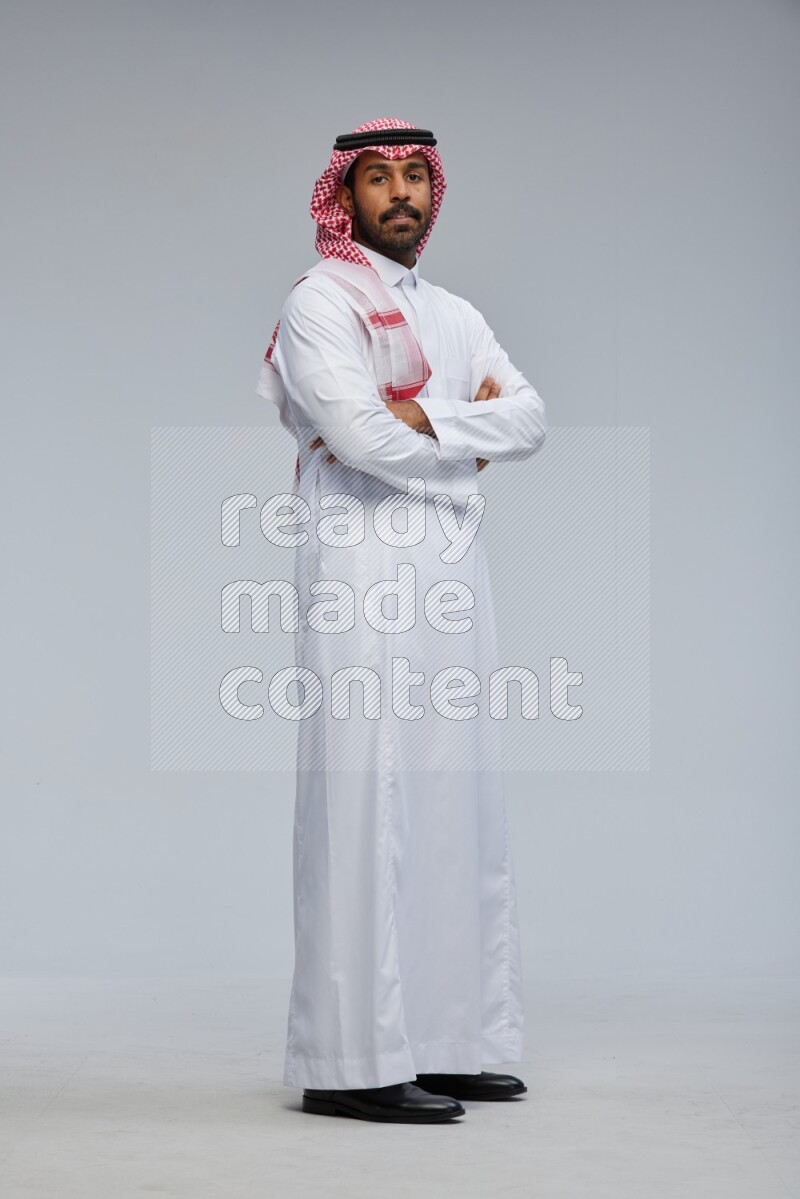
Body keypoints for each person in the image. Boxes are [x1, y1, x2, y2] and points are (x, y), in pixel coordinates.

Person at [256, 117, 547, 1124]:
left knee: (454, 797)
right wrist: (460, 436)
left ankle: (448, 1036)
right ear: (342, 196)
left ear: (435, 191)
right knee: (363, 799)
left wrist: (427, 417)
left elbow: (531, 416)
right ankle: (348, 1058)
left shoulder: (458, 314)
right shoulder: (317, 301)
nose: (399, 194)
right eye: (376, 178)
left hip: (452, 571)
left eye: (415, 176)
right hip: (359, 564)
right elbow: (355, 433)